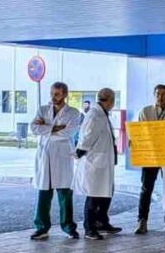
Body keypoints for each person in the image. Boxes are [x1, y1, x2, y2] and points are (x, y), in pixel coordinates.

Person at [30, 82, 83, 240]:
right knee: (43, 193)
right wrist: (54, 127)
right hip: (45, 154)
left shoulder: (73, 113)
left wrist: (46, 127)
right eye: (52, 93)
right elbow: (34, 128)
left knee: (65, 193)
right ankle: (41, 227)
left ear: (65, 95)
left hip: (62, 155)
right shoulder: (43, 109)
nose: (54, 97)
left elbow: (68, 132)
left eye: (57, 94)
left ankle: (68, 227)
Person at [74, 88, 120, 240]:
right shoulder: (95, 115)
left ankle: (102, 222)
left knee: (105, 194)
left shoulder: (102, 113)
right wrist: (79, 151)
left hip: (103, 161)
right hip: (95, 162)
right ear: (111, 101)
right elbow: (87, 137)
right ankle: (89, 228)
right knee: (94, 197)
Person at [135, 84, 165, 234]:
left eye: (164, 94)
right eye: (157, 94)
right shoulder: (146, 111)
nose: (160, 97)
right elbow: (139, 132)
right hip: (150, 155)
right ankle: (142, 220)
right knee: (146, 188)